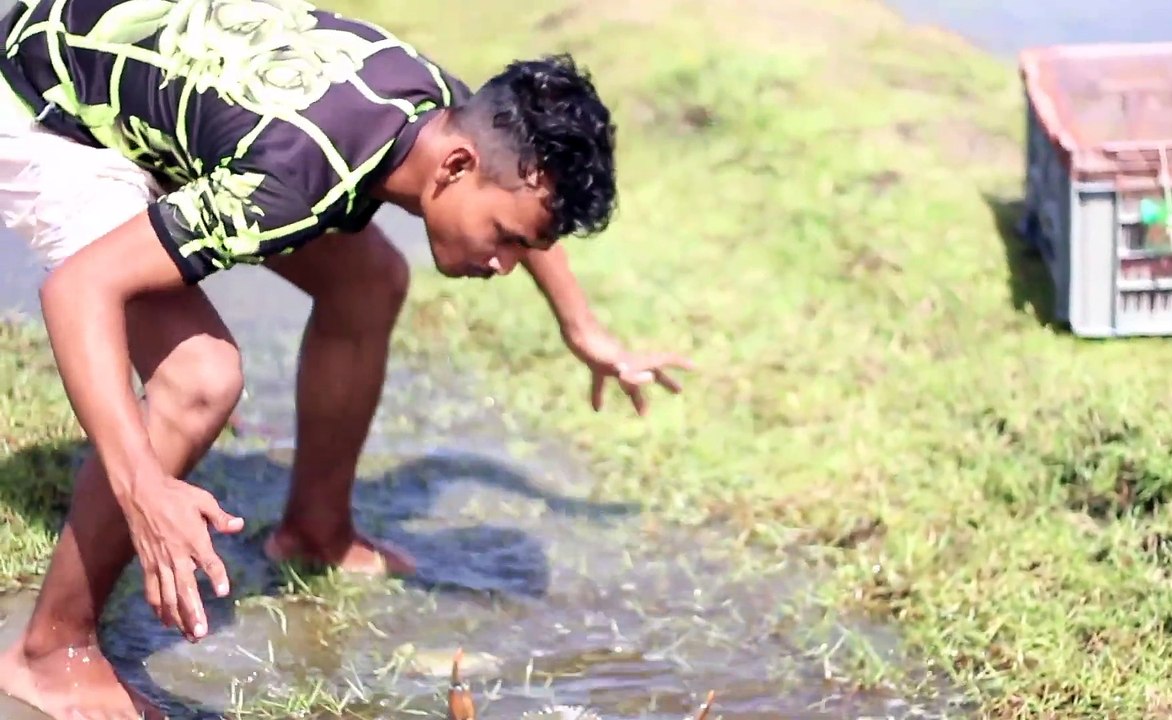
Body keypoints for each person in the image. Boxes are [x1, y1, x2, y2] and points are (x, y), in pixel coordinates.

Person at [0, 0, 693, 717]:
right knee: (200, 379)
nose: (504, 264)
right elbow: (79, 289)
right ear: (457, 166)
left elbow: (515, 194)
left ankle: (315, 530)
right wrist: (143, 484)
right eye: (506, 239)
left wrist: (582, 328)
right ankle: (51, 653)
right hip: (46, 106)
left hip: (178, 100)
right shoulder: (295, 177)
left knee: (369, 279)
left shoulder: (445, 112)